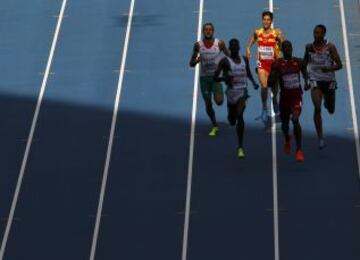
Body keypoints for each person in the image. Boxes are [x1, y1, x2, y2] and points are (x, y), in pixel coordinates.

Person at [214, 39, 259, 158]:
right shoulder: (225, 61)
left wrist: (254, 82)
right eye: (231, 46)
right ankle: (230, 113)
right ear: (229, 48)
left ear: (239, 47)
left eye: (235, 46)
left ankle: (240, 146)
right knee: (232, 120)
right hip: (231, 93)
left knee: (240, 116)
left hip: (242, 92)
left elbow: (248, 72)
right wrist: (225, 79)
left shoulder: (244, 59)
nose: (234, 48)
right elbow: (215, 77)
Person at [303, 24, 343, 149]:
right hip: (315, 81)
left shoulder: (330, 47)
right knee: (317, 107)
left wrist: (329, 68)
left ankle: (327, 101)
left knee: (331, 110)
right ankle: (320, 138)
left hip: (329, 81)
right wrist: (306, 80)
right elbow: (304, 64)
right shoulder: (309, 47)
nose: (316, 35)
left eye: (319, 33)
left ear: (324, 34)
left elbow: (340, 65)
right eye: (315, 32)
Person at [268, 40, 308, 161]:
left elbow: (305, 74)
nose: (287, 49)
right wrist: (273, 78)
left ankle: (299, 149)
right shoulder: (277, 64)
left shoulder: (299, 62)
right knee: (285, 125)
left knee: (295, 120)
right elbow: (270, 82)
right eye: (285, 48)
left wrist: (307, 82)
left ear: (292, 48)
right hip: (284, 99)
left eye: (289, 47)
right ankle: (287, 139)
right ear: (281, 50)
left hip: (296, 98)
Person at [190, 23, 229, 137]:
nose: (208, 31)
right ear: (202, 31)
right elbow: (191, 63)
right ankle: (214, 124)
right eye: (206, 30)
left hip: (216, 77)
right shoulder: (198, 46)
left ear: (213, 31)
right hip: (204, 79)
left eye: (210, 30)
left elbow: (229, 56)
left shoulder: (219, 44)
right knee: (208, 104)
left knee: (220, 102)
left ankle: (224, 93)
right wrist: (197, 61)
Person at [246, 11, 285, 121]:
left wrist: (281, 38)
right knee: (264, 86)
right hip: (262, 64)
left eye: (268, 20)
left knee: (274, 88)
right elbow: (253, 38)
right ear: (262, 20)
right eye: (264, 19)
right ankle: (264, 108)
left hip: (274, 65)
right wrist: (248, 48)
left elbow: (284, 46)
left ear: (271, 21)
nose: (266, 21)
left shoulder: (276, 33)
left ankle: (275, 99)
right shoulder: (258, 32)